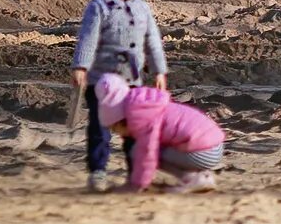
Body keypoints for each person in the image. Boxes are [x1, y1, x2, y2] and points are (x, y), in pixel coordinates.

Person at [71, 0, 168, 194]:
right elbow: (87, 39)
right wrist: (80, 66)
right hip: (100, 83)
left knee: (133, 130)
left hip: (131, 84)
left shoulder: (142, 7)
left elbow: (153, 41)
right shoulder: (99, 7)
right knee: (99, 129)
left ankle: (135, 174)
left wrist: (159, 70)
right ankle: (98, 172)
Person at [95, 72, 225, 193]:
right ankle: (202, 175)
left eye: (114, 129)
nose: (118, 134)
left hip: (204, 153)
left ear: (121, 121)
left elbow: (147, 154)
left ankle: (192, 178)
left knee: (140, 151)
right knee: (159, 149)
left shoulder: (143, 120)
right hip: (215, 146)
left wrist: (137, 185)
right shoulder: (148, 106)